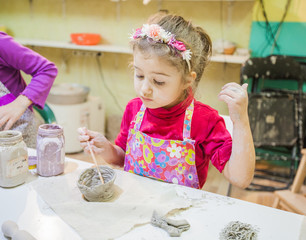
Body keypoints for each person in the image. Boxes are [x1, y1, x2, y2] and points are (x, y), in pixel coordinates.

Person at [78, 13, 255, 189]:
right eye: (139, 75)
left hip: (179, 212)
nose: (144, 88)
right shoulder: (134, 109)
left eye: (159, 81)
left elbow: (240, 179)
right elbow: (123, 158)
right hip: (136, 204)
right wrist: (106, 149)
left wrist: (241, 121)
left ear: (187, 80)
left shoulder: (204, 120)